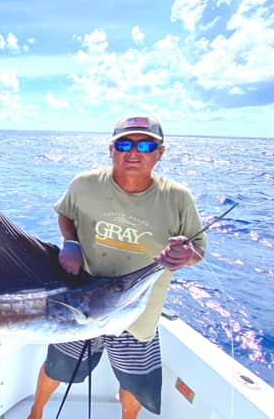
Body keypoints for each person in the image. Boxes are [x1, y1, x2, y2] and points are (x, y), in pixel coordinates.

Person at [28, 116, 206, 419]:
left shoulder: (178, 198)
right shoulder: (84, 184)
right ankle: (36, 413)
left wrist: (186, 256)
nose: (133, 152)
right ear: (111, 149)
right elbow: (65, 214)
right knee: (57, 368)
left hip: (137, 315)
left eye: (146, 144)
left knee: (134, 383)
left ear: (160, 152)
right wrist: (70, 241)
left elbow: (197, 251)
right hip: (79, 306)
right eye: (124, 144)